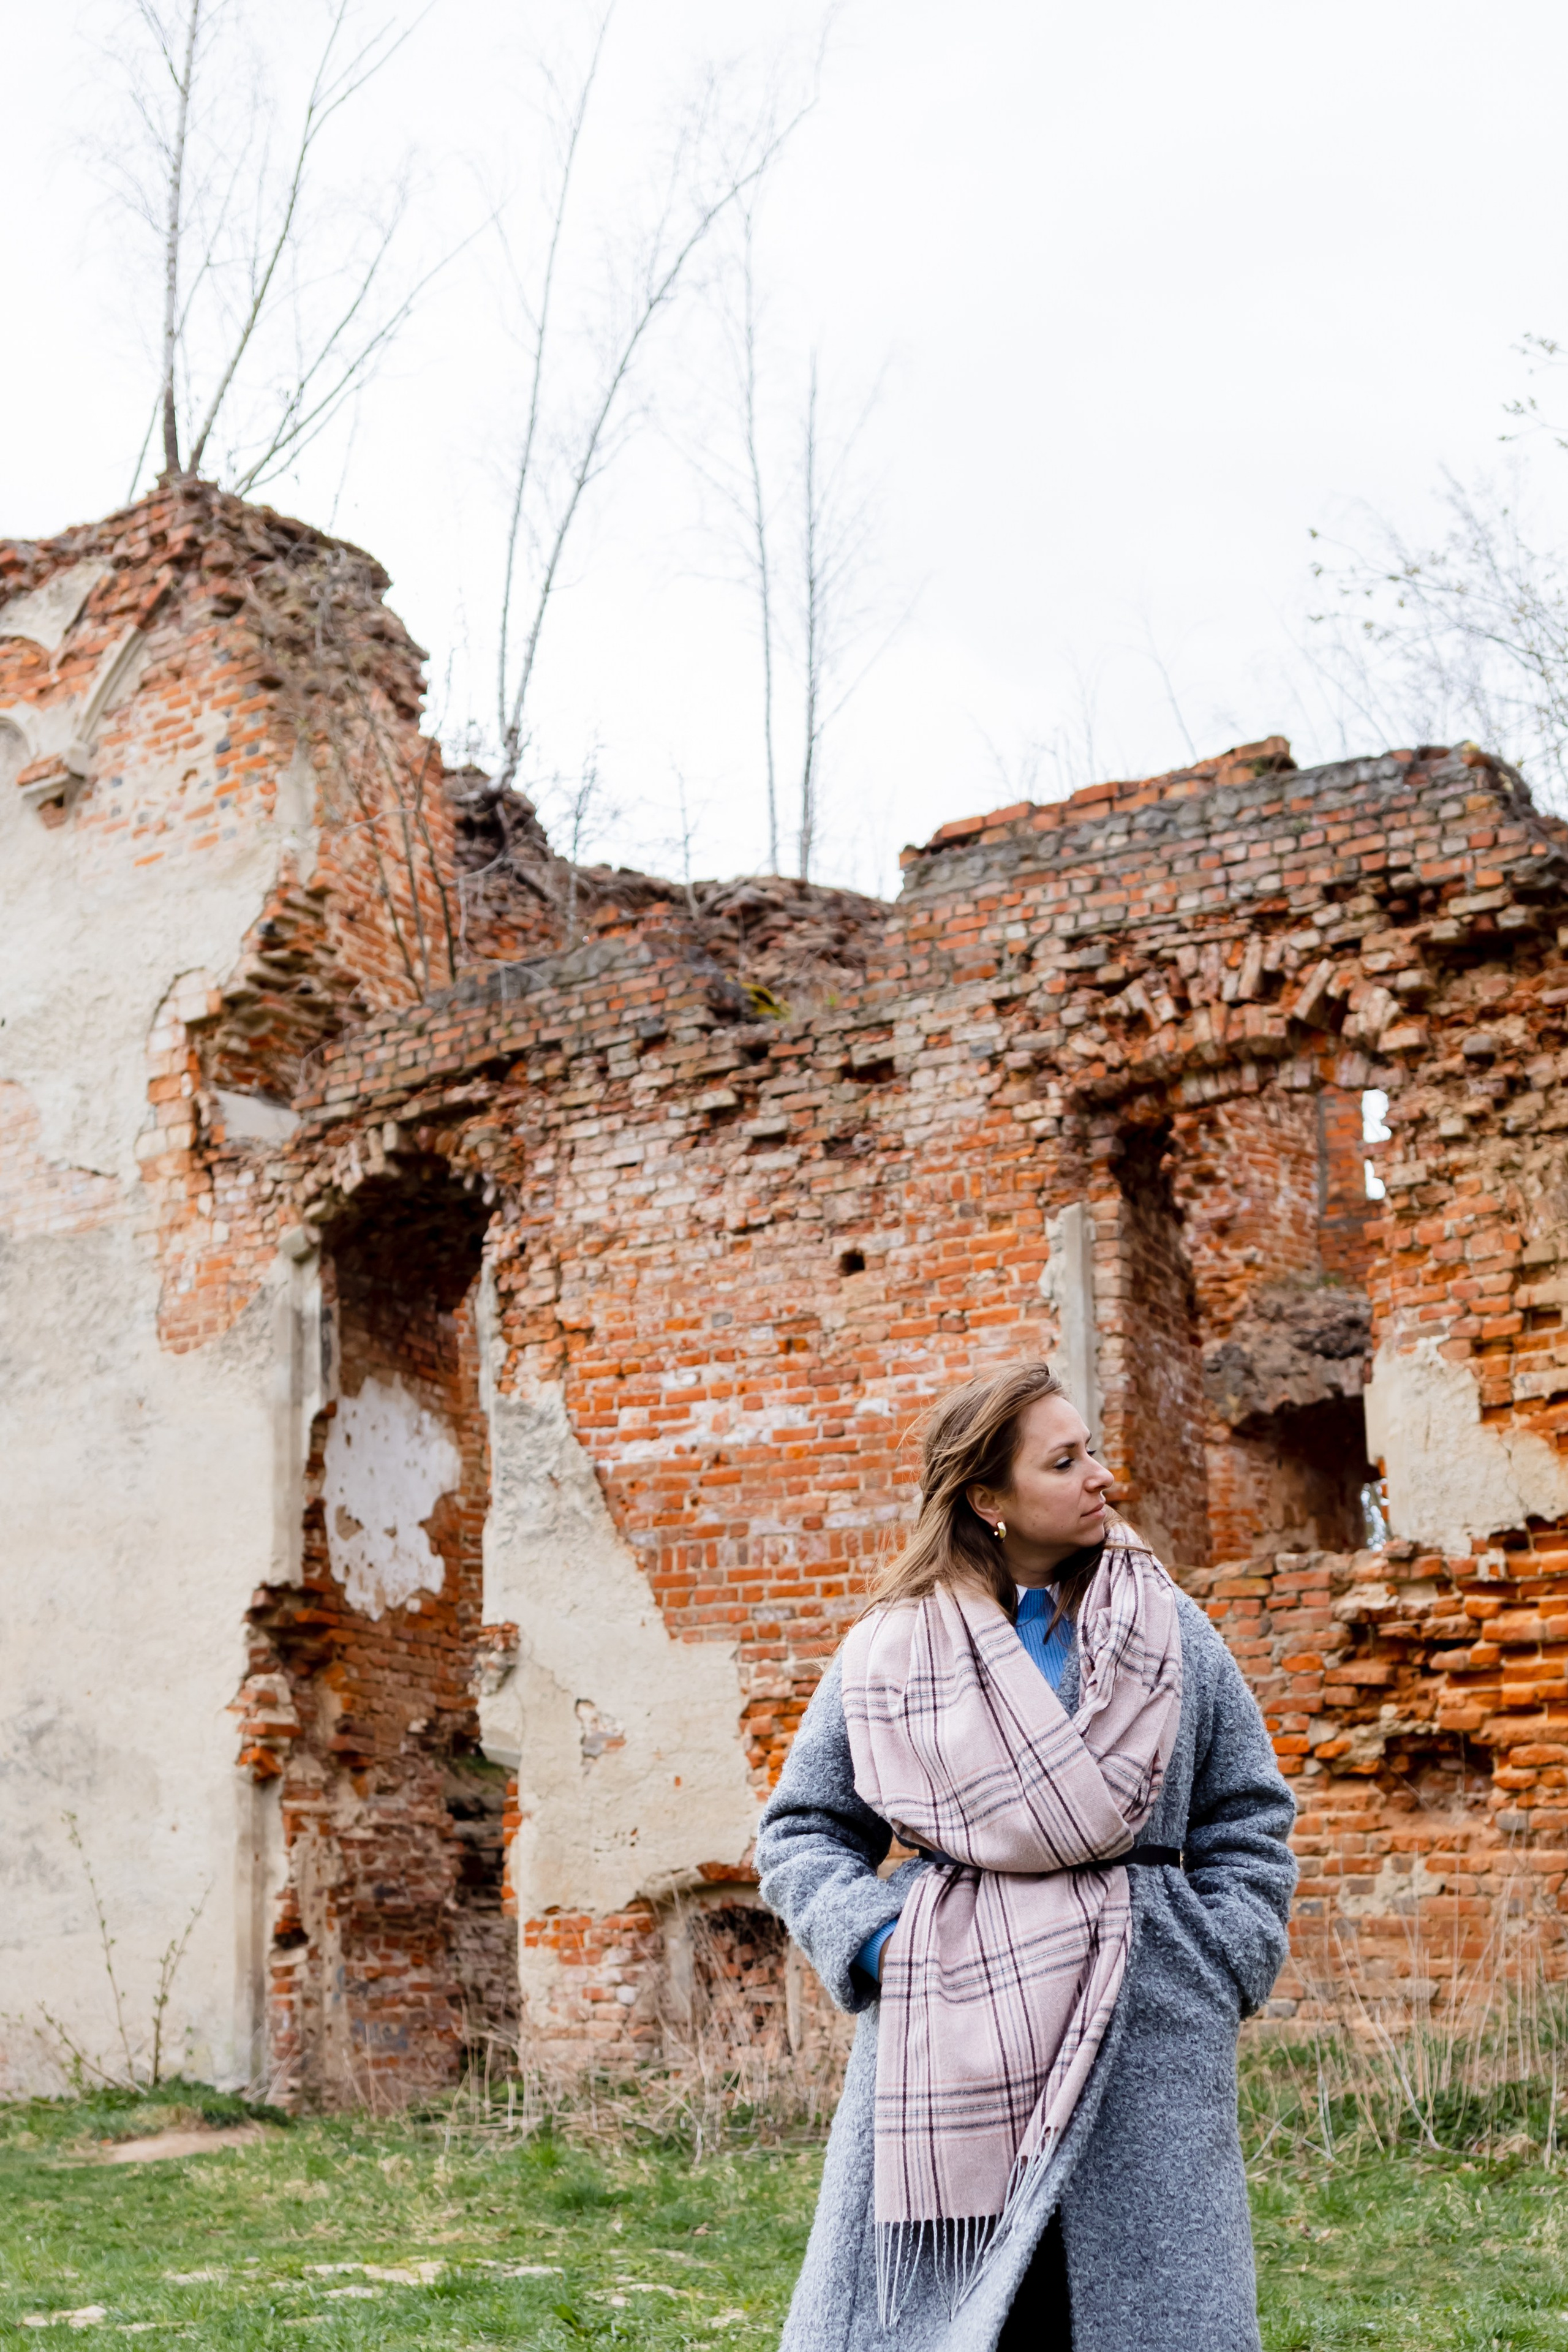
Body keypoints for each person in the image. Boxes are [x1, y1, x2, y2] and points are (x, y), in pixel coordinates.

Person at [755, 1362, 1297, 2351]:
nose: (1101, 1476)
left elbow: (1247, 1813)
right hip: (946, 2028)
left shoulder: (1168, 1629)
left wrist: (1223, 1956)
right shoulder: (891, 1651)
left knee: (1126, 2316)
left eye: (1090, 1449)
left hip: (1146, 2019)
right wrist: (884, 1945)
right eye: (1065, 1460)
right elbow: (801, 1830)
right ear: (988, 1499)